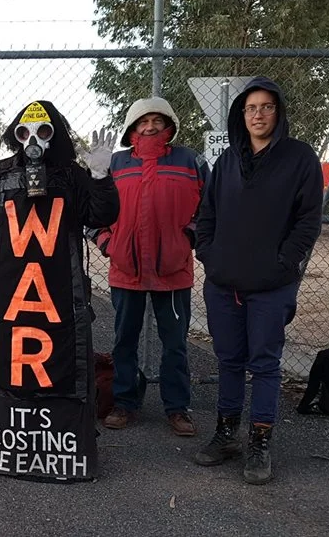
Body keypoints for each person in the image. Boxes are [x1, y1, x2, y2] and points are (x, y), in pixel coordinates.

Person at [0, 101, 119, 481]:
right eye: (24, 133)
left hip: (57, 291)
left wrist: (100, 177)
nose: (33, 141)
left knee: (59, 356)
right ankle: (4, 431)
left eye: (43, 132)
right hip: (10, 292)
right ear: (15, 136)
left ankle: (64, 432)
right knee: (7, 358)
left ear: (55, 134)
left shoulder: (71, 175)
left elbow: (102, 215)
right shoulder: (0, 175)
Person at [192, 77, 323, 484]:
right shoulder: (227, 162)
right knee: (229, 360)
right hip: (223, 282)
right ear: (241, 114)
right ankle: (228, 432)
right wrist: (209, 255)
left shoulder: (300, 159)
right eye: (251, 108)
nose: (259, 114)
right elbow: (207, 215)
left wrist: (285, 263)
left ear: (278, 112)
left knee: (264, 364)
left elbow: (307, 221)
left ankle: (260, 441)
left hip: (271, 284)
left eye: (267, 107)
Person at [92, 98, 208, 436]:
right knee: (124, 340)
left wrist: (187, 239)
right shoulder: (115, 163)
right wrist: (108, 244)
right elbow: (94, 211)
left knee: (175, 343)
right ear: (132, 128)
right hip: (126, 270)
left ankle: (177, 407)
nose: (151, 126)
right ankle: (125, 402)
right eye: (144, 121)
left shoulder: (190, 161)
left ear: (169, 123)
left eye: (158, 119)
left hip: (173, 272)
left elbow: (210, 208)